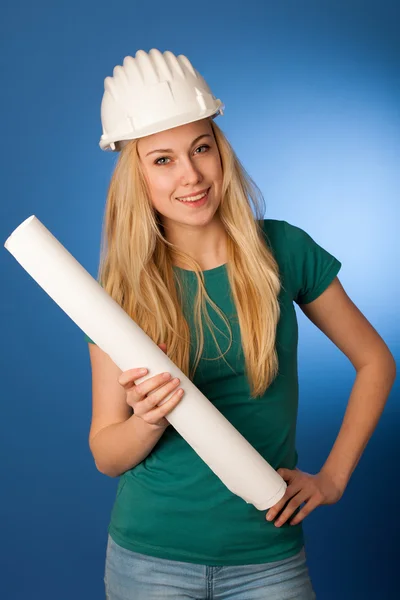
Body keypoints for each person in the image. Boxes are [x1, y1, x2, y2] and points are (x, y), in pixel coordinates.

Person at [84, 49, 396, 600]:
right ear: (136, 175)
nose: (191, 175)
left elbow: (375, 361)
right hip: (149, 559)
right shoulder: (122, 290)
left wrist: (333, 479)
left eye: (201, 148)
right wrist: (149, 422)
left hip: (267, 556)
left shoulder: (285, 250)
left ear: (219, 149)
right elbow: (106, 453)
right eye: (162, 159)